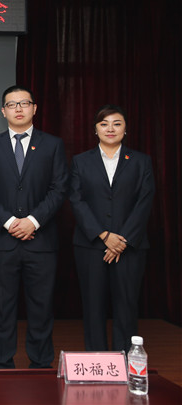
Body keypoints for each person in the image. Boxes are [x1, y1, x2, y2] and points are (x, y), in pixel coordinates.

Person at [0, 86, 68, 369]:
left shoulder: (53, 145)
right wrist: (9, 222)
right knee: (2, 306)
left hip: (41, 240)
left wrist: (33, 221)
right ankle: (1, 362)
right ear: (3, 111)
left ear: (34, 108)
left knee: (41, 306)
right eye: (11, 104)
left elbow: (59, 188)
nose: (18, 109)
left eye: (24, 103)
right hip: (2, 241)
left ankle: (40, 362)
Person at [69, 105, 154, 353]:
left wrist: (121, 240)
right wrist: (104, 235)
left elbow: (144, 202)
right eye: (104, 124)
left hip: (130, 247)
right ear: (95, 129)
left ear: (125, 129)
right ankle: (99, 360)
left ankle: (124, 360)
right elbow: (76, 200)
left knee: (126, 306)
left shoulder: (141, 161)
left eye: (117, 124)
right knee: (93, 307)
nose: (110, 129)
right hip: (91, 245)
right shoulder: (81, 161)